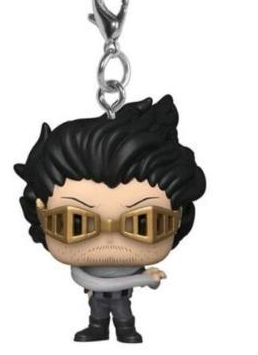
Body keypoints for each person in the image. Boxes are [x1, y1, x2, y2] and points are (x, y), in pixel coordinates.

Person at [15, 96, 206, 343]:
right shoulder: (84, 271)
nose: (109, 238)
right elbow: (88, 281)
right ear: (41, 215)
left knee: (123, 314)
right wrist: (144, 279)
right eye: (76, 223)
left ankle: (125, 330)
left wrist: (144, 279)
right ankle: (99, 328)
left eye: (143, 223)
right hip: (100, 298)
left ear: (178, 217)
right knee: (100, 312)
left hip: (120, 297)